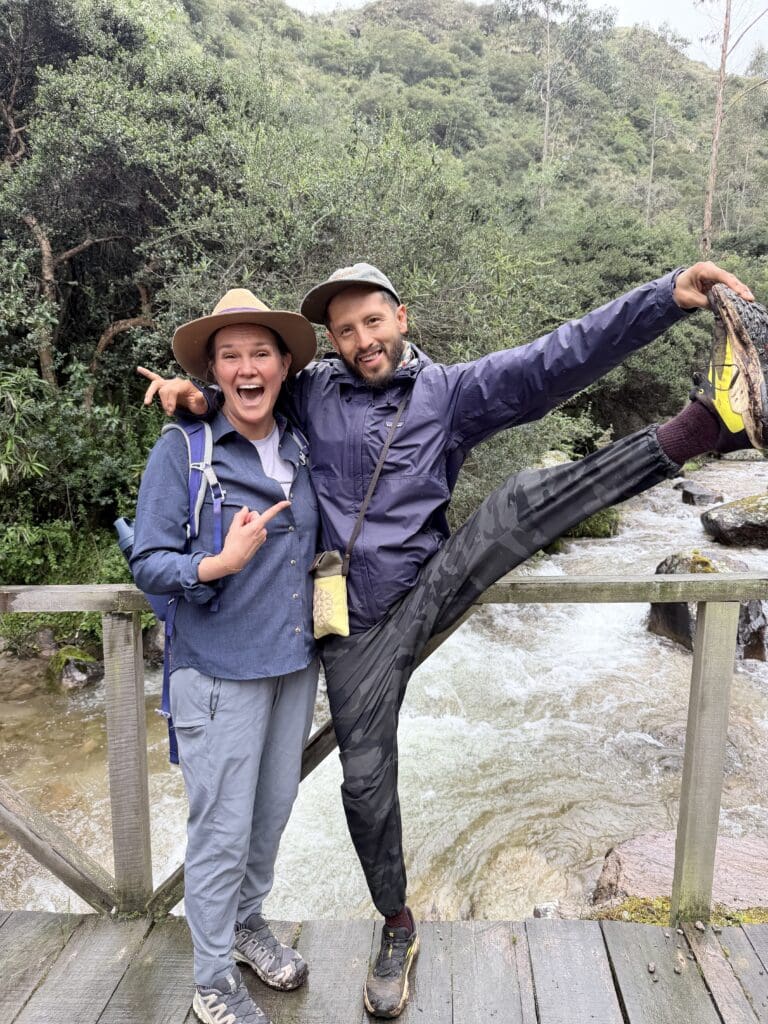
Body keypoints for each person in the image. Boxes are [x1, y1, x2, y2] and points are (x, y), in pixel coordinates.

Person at [141, 261, 767, 1019]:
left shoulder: (452, 393)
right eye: (345, 330)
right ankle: (397, 924)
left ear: (401, 318)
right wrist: (198, 398)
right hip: (350, 631)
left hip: (430, 586)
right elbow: (250, 391)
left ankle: (704, 425)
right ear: (331, 342)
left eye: (373, 322)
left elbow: (557, 359)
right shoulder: (310, 393)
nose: (363, 340)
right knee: (364, 788)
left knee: (517, 503)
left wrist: (665, 297)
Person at [131, 289, 320, 1024]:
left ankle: (245, 924)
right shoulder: (183, 449)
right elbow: (149, 562)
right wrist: (217, 563)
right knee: (220, 830)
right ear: (211, 370)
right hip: (215, 674)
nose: (247, 369)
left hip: (292, 667)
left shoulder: (300, 440)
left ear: (283, 365)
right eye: (230, 356)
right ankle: (211, 979)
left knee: (270, 815)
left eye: (260, 353)